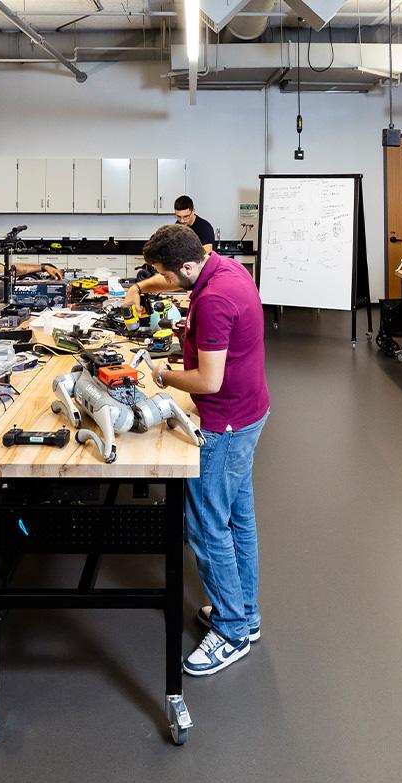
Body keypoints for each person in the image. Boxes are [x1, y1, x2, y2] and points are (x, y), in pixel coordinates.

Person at [140, 224, 269, 676]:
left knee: (206, 526)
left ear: (189, 266)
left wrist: (163, 374)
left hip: (224, 421)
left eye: (167, 275)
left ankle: (232, 630)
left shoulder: (213, 299)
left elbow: (208, 382)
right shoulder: (226, 270)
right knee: (238, 517)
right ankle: (245, 614)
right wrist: (146, 290)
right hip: (250, 410)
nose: (165, 282)